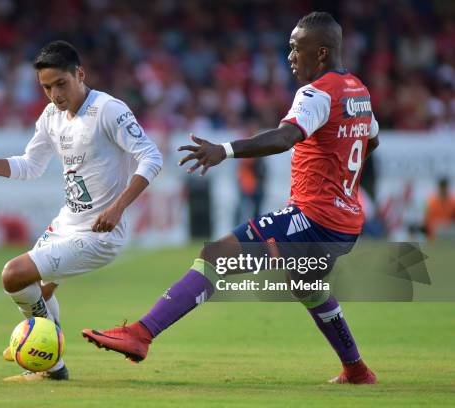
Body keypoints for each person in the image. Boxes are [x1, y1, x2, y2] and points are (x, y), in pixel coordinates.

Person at [83, 12, 380, 385]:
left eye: (295, 48)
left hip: (314, 217)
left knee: (216, 255)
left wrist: (224, 150)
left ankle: (141, 335)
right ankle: (356, 370)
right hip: (347, 221)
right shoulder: (359, 91)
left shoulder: (317, 93)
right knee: (308, 285)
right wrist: (342, 183)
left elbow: (284, 137)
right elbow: (371, 141)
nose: (289, 56)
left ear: (320, 53)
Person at [0, 41, 162, 381]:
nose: (55, 94)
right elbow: (30, 165)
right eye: (46, 87)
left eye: (61, 83)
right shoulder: (51, 116)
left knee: (13, 275)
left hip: (99, 234)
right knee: (38, 293)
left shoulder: (108, 110)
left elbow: (152, 157)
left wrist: (118, 208)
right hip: (66, 224)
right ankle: (51, 365)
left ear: (80, 74)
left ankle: (45, 353)